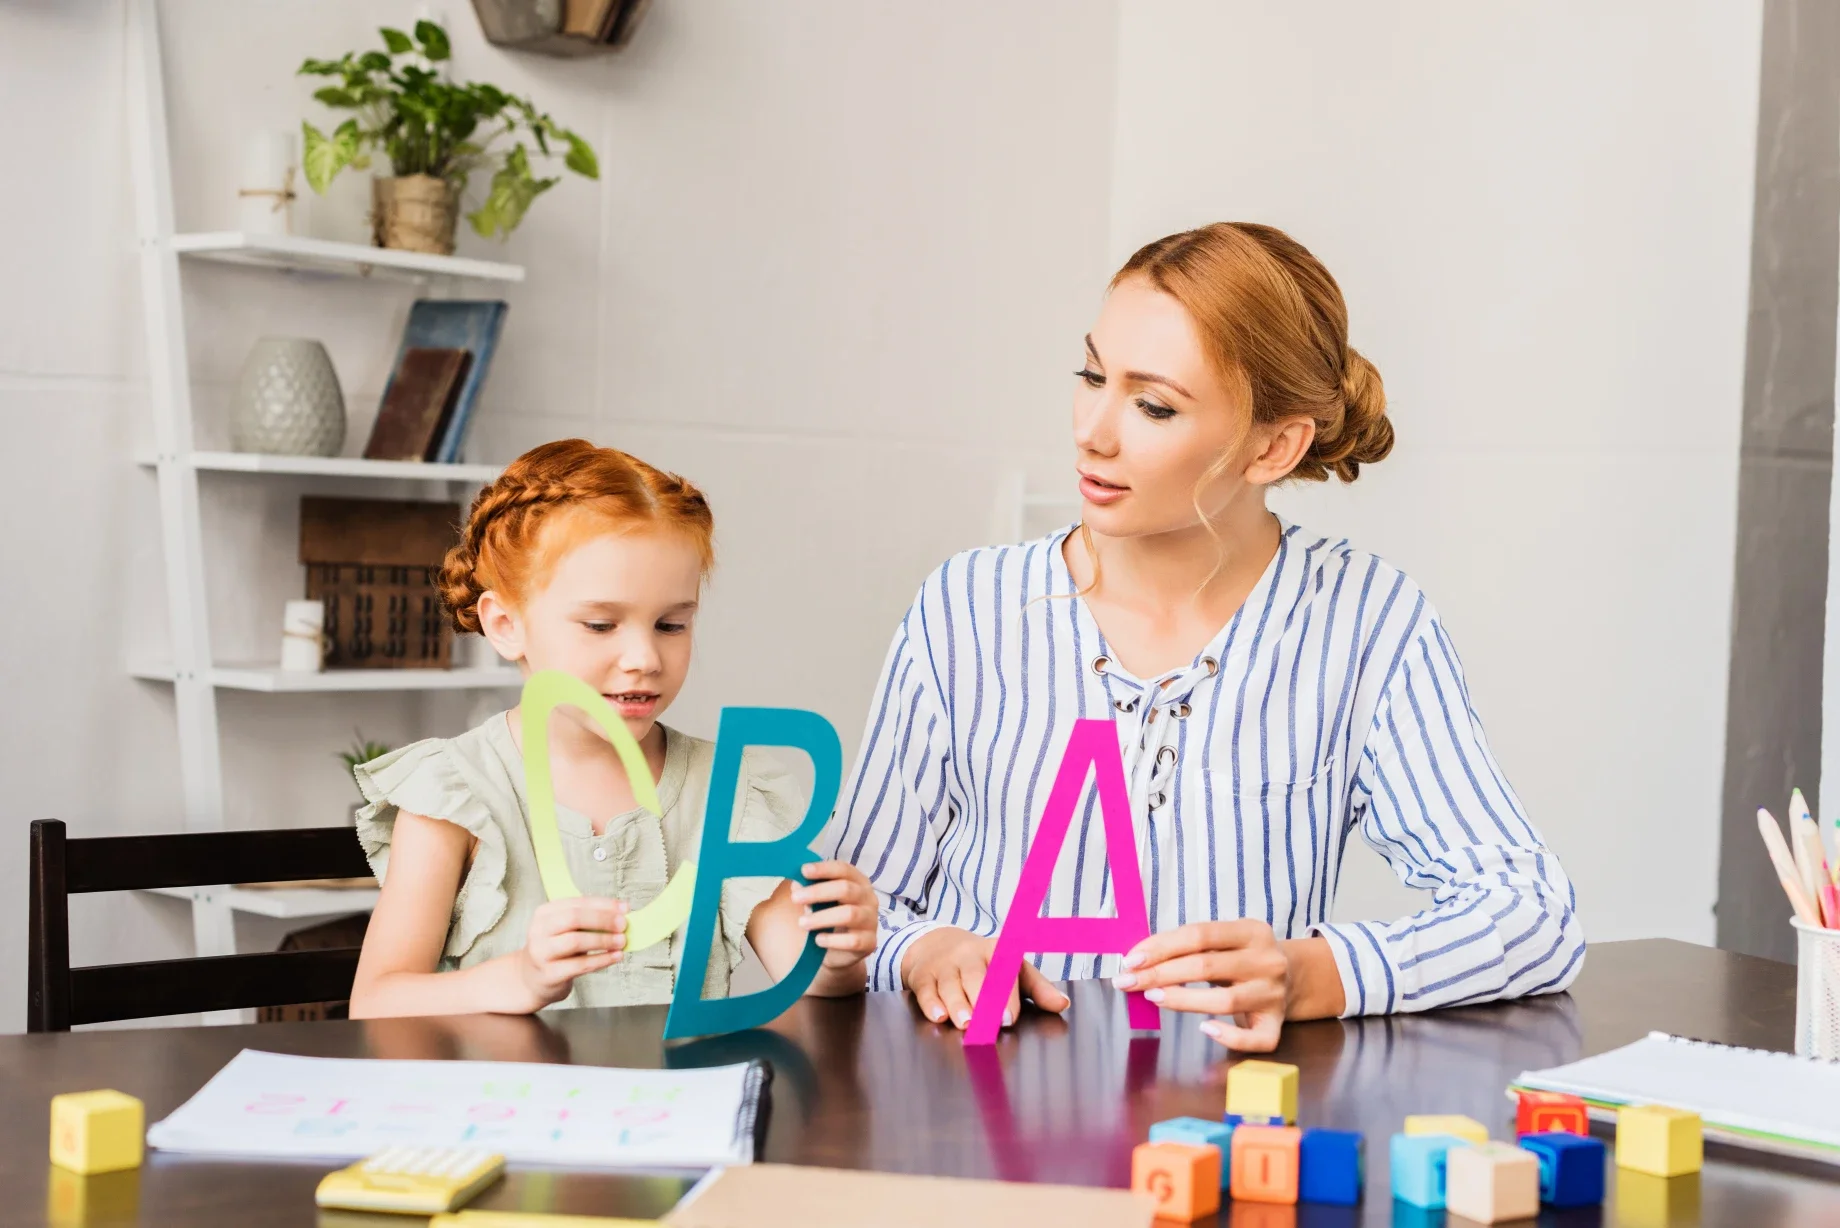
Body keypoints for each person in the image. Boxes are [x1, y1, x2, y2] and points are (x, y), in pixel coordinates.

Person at [827, 223, 1583, 1050]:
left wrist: (1312, 974)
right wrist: (919, 949)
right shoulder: (966, 607)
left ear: (1274, 446)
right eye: (1091, 375)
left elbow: (1531, 913)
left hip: (1227, 1130)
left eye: (1153, 405)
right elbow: (856, 908)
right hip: (980, 1126)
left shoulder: (1368, 622)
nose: (1093, 430)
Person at [348, 440, 878, 1018]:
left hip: (679, 1100)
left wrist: (840, 952)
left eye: (671, 624)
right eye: (601, 625)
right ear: (505, 625)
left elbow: (809, 978)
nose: (644, 657)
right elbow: (376, 1003)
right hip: (509, 1103)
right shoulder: (453, 790)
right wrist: (519, 977)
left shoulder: (727, 789)